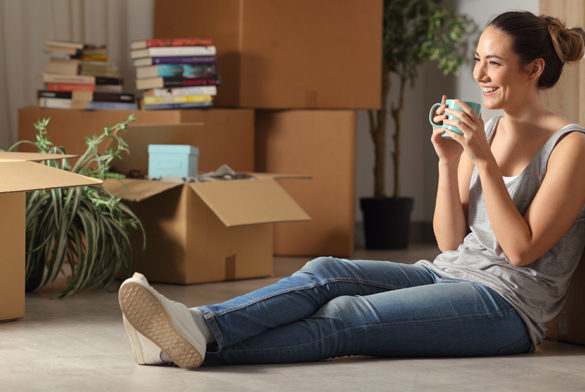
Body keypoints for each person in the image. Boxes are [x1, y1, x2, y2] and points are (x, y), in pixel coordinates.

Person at [118, 11, 585, 369]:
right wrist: (449, 163)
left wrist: (480, 160)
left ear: (533, 69)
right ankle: (198, 326)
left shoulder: (569, 146)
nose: (480, 75)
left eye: (495, 63)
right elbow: (448, 242)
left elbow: (521, 251)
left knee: (348, 316)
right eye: (478, 60)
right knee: (326, 271)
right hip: (449, 273)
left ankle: (182, 348)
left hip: (505, 307)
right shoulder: (491, 130)